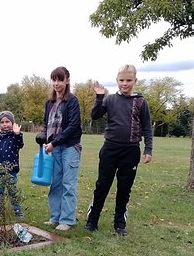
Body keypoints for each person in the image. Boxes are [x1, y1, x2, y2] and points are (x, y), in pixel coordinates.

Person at [84, 64, 153, 236]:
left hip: (131, 151)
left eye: (128, 80)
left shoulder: (141, 102)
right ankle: (92, 220)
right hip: (110, 149)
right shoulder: (109, 100)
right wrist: (99, 97)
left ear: (135, 81)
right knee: (102, 185)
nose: (125, 84)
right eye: (121, 80)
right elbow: (95, 115)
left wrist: (148, 149)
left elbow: (147, 127)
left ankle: (119, 224)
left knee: (124, 188)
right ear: (117, 81)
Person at [41, 66, 82, 231]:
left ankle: (67, 220)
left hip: (70, 147)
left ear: (67, 80)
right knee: (55, 183)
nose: (56, 83)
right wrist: (45, 138)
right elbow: (46, 124)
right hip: (54, 148)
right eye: (54, 79)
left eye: (60, 79)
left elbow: (73, 126)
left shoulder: (72, 101)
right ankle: (55, 217)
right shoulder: (49, 103)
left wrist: (55, 142)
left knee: (68, 184)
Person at [0, 111, 24, 218]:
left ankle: (17, 210)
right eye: (2, 122)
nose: (5, 124)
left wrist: (17, 134)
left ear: (12, 122)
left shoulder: (14, 136)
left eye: (7, 121)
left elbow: (19, 145)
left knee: (12, 190)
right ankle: (0, 211)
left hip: (11, 168)